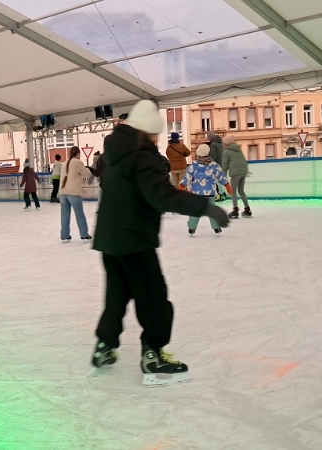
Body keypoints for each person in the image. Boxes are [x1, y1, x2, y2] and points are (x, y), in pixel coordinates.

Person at [91, 100, 230, 386]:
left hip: (109, 239)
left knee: (117, 295)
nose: (157, 138)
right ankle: (153, 355)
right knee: (153, 297)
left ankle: (104, 346)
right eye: (156, 133)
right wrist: (205, 207)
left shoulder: (114, 154)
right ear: (148, 131)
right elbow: (162, 196)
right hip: (134, 240)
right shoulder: (142, 157)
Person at [179, 144, 232, 236]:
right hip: (210, 193)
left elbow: (186, 180)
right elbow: (222, 178)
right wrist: (228, 188)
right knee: (212, 210)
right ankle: (216, 228)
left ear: (198, 154)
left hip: (196, 195)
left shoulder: (193, 166)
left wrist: (179, 189)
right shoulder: (214, 166)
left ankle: (192, 228)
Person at [59, 146, 93, 243]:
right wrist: (90, 170)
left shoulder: (65, 163)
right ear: (78, 154)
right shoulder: (77, 162)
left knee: (65, 215)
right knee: (79, 214)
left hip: (63, 193)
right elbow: (87, 174)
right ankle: (84, 235)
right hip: (73, 192)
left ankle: (65, 236)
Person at [221, 135, 251, 219]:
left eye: (223, 143)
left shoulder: (226, 152)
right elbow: (243, 160)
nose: (222, 145)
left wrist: (223, 176)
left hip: (235, 173)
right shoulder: (238, 149)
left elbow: (224, 165)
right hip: (243, 171)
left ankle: (235, 210)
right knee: (241, 190)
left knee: (233, 191)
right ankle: (247, 209)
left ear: (226, 143)